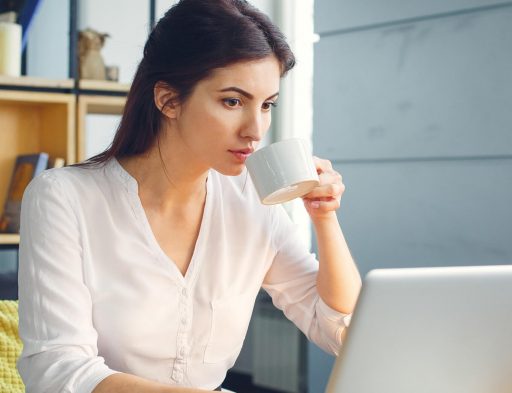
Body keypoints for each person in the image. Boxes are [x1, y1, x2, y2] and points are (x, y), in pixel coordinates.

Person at [17, 0, 362, 392]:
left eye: (267, 105)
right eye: (233, 101)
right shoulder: (64, 197)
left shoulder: (251, 199)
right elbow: (56, 370)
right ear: (168, 100)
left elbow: (341, 332)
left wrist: (324, 216)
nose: (255, 129)